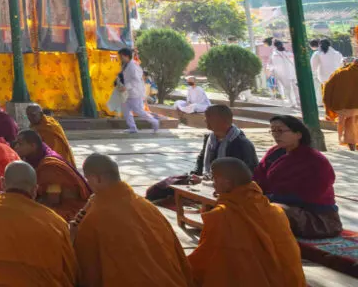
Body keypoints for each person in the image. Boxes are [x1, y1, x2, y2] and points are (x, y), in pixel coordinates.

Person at [73, 154, 191, 286]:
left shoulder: (94, 218)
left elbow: (88, 273)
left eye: (88, 180)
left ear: (97, 179)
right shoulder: (147, 206)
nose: (88, 184)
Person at [189, 157, 307, 287]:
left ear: (227, 182)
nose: (213, 182)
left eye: (214, 178)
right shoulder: (276, 211)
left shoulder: (220, 216)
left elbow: (205, 257)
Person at [145, 104, 257, 203]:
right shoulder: (210, 138)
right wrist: (196, 175)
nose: (205, 121)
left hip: (226, 186)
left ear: (222, 120)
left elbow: (243, 176)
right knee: (156, 190)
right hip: (205, 178)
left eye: (208, 118)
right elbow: (201, 158)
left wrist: (206, 181)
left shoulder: (241, 144)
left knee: (170, 194)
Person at [254, 114, 341, 238]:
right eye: (273, 130)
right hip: (274, 203)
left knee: (273, 210)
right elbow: (258, 177)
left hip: (316, 217)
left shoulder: (315, 160)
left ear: (298, 134)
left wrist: (269, 198)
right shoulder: (274, 152)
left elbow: (311, 194)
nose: (276, 134)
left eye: (280, 130)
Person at [13, 130, 89, 220]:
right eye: (16, 143)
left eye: (20, 144)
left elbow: (53, 200)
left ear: (33, 146)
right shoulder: (35, 155)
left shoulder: (50, 167)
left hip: (70, 210)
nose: (16, 147)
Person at [114, 48, 158, 134]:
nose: (120, 58)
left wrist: (125, 87)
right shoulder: (125, 65)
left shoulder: (133, 65)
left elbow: (136, 80)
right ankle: (132, 127)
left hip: (135, 93)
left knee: (139, 111)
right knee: (126, 111)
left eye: (121, 56)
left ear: (126, 56)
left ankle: (154, 122)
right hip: (127, 93)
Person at [323, 57, 358, 151]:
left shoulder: (340, 73)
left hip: (341, 106)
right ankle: (351, 142)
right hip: (355, 106)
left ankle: (342, 139)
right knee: (352, 121)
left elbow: (328, 87)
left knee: (343, 121)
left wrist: (329, 103)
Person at [311, 38, 344, 107]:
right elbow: (342, 65)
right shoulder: (337, 53)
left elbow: (313, 66)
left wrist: (312, 73)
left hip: (323, 77)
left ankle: (322, 103)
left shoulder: (317, 53)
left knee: (322, 90)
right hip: (336, 76)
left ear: (319, 45)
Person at [270, 39, 299, 108]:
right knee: (296, 88)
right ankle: (298, 102)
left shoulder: (274, 55)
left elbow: (274, 66)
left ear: (275, 46)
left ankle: (293, 103)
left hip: (283, 75)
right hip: (293, 73)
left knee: (288, 89)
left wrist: (274, 74)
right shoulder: (290, 53)